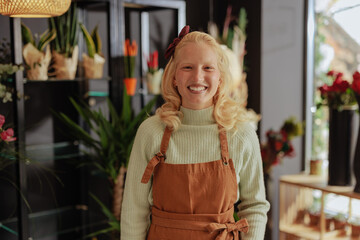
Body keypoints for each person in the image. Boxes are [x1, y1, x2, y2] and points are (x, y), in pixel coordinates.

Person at [121, 25, 270, 240]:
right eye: (187, 67)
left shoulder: (241, 133)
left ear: (220, 78)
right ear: (174, 77)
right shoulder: (151, 132)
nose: (197, 77)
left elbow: (255, 205)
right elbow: (134, 210)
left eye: (208, 68)